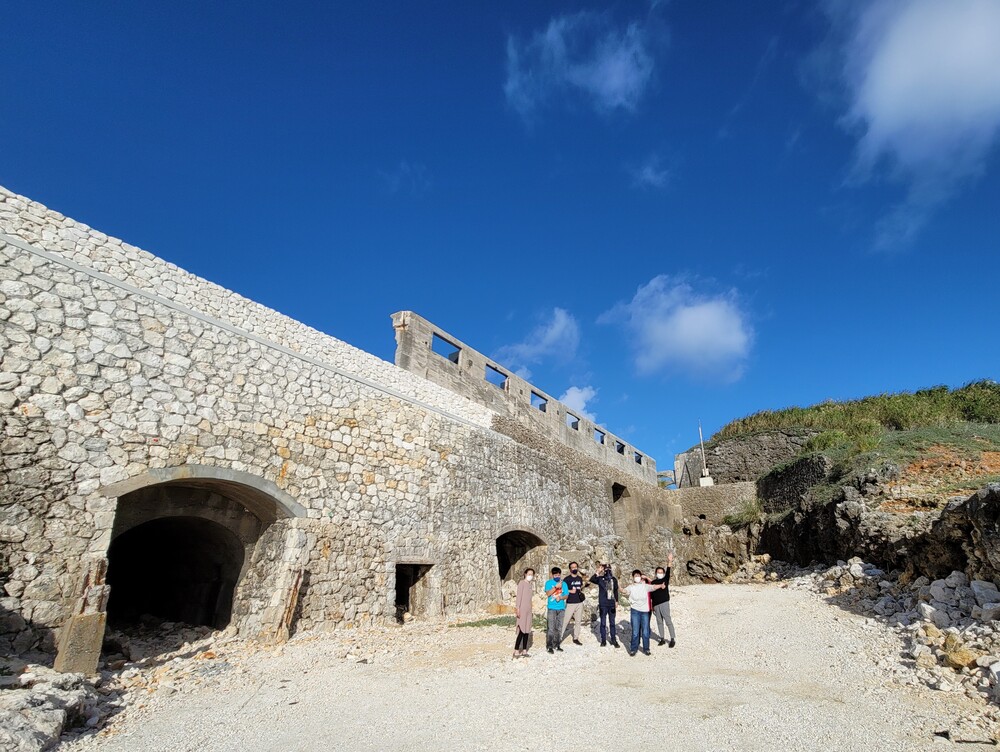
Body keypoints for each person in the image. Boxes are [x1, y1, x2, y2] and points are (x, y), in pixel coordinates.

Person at [623, 569, 665, 656]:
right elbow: (625, 591)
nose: (637, 577)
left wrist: (661, 585)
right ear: (633, 577)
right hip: (635, 611)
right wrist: (618, 588)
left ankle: (646, 649)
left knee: (645, 631)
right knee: (635, 631)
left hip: (645, 611)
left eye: (638, 575)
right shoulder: (631, 587)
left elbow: (653, 587)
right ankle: (633, 649)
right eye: (635, 576)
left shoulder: (645, 586)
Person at [589, 563, 620, 648]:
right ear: (604, 570)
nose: (607, 570)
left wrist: (617, 601)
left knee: (612, 622)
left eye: (609, 568)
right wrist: (598, 571)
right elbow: (592, 579)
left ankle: (613, 640)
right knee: (603, 623)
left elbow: (616, 590)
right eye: (606, 569)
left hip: (611, 604)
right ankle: (603, 640)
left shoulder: (614, 579)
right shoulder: (600, 579)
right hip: (603, 604)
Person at [650, 554, 676, 648]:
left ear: (663, 573)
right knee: (659, 622)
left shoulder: (665, 579)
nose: (660, 573)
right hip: (656, 605)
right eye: (658, 572)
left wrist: (669, 560)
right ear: (656, 573)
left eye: (661, 572)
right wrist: (652, 606)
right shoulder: (653, 583)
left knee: (668, 621)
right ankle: (662, 638)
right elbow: (651, 595)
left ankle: (672, 639)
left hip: (664, 603)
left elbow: (668, 569)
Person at [561, 561, 587, 646]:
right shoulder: (567, 579)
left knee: (578, 621)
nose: (574, 568)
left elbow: (580, 588)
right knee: (565, 621)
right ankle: (559, 638)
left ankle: (576, 638)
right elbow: (562, 590)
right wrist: (570, 591)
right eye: (573, 567)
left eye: (576, 567)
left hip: (579, 603)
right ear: (570, 569)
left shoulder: (579, 578)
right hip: (570, 603)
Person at [544, 567, 569, 654]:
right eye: (555, 575)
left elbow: (566, 595)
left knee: (559, 628)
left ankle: (557, 644)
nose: (557, 576)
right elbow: (548, 594)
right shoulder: (548, 583)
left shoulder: (564, 584)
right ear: (552, 575)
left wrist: (561, 597)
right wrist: (556, 587)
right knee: (551, 628)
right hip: (552, 608)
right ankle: (549, 646)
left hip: (561, 608)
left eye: (558, 575)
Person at [514, 568, 535, 659]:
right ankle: (516, 650)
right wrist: (517, 608)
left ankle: (524, 650)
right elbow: (519, 597)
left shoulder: (530, 585)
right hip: (522, 609)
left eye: (532, 574)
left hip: (529, 610)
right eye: (529, 574)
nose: (530, 576)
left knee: (527, 630)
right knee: (522, 630)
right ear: (525, 574)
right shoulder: (521, 583)